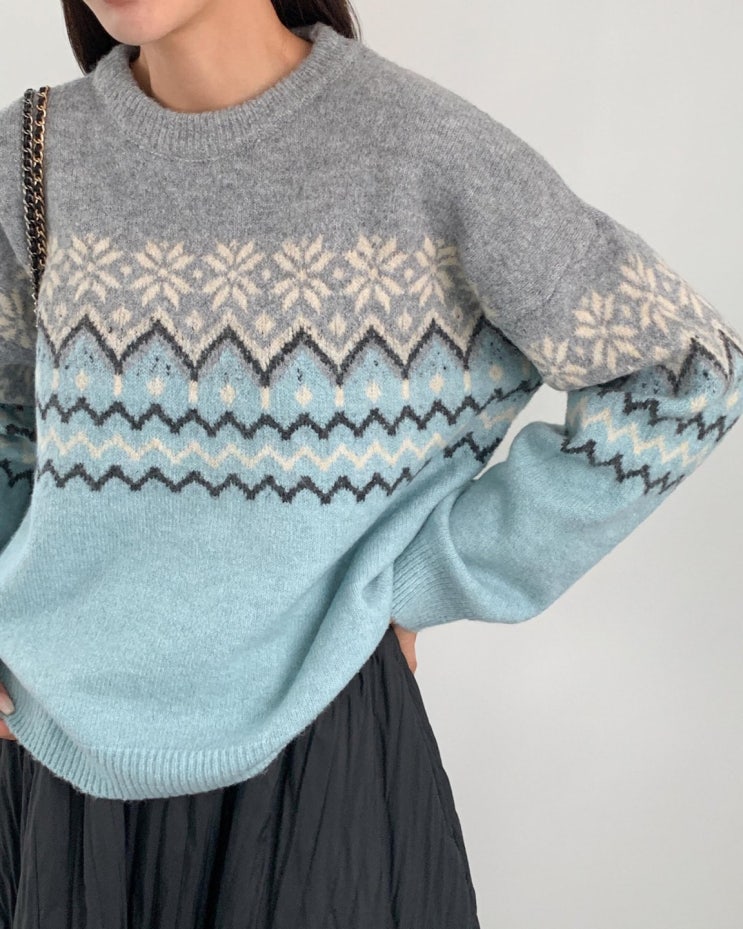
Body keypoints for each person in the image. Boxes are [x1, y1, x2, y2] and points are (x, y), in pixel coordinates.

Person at [0, 0, 740, 926]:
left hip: (319, 762)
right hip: (54, 766)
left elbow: (686, 373)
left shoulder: (420, 149)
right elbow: (6, 412)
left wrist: (427, 575)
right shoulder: (35, 152)